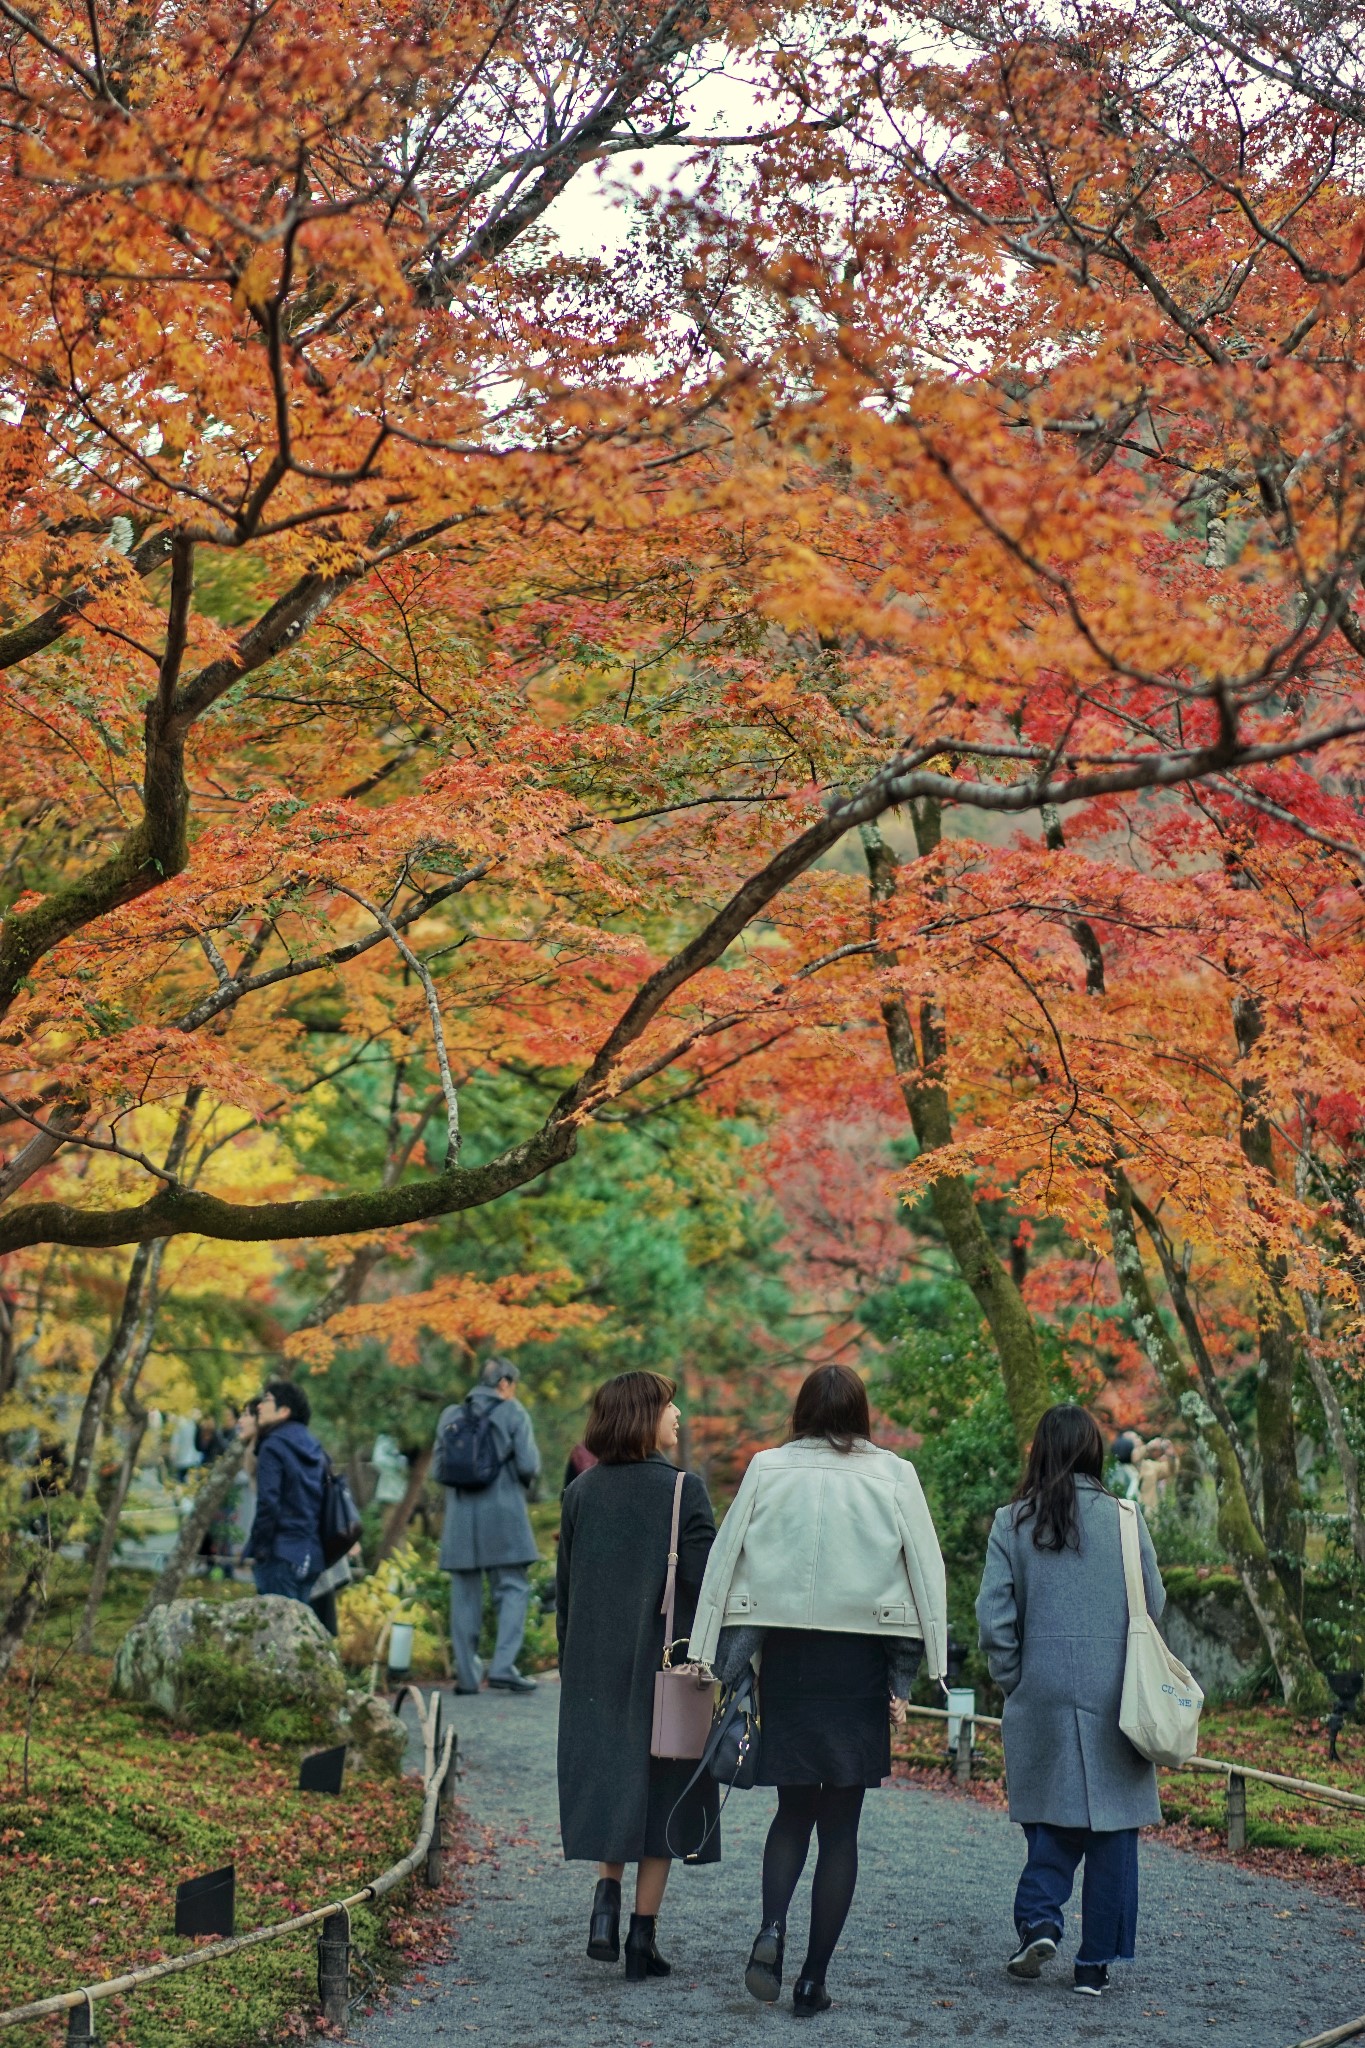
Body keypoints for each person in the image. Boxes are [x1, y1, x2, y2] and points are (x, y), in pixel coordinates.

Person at [689, 1362, 947, 2017]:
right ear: (861, 1412)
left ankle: (770, 1929)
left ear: (801, 1410)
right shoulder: (893, 1474)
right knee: (841, 1831)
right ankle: (811, 1981)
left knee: (790, 1813)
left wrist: (705, 1652)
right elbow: (923, 1572)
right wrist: (919, 1673)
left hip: (789, 1661)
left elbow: (728, 1558)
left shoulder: (766, 1467)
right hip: (859, 1662)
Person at [976, 1402, 1167, 1998]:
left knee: (1050, 1816)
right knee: (1113, 1831)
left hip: (1043, 1689)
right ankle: (1094, 1966)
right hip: (1116, 1693)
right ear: (1092, 1452)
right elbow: (1153, 1605)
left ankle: (1039, 1920)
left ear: (1041, 1452)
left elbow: (994, 1620)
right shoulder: (1126, 1520)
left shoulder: (1013, 1522)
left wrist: (1017, 1679)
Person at [557, 1371, 719, 1982]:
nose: (677, 1413)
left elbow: (565, 1596)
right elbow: (707, 1587)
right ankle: (641, 1939)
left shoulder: (581, 1493)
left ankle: (604, 1905)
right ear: (641, 1416)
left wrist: (574, 1664)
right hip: (665, 1668)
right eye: (667, 1404)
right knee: (661, 1801)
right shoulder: (683, 1491)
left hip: (592, 1667)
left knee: (610, 1784)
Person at [436, 1357, 542, 1694]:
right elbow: (529, 1464)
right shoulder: (513, 1412)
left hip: (460, 1521)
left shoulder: (450, 1415)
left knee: (464, 1596)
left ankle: (467, 1678)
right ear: (504, 1383)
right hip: (504, 1515)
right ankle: (502, 1666)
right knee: (512, 1588)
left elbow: (438, 1470)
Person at [247, 1381, 327, 1603]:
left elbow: (268, 1502)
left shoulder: (273, 1445)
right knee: (297, 1632)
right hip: (311, 1555)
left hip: (280, 1554)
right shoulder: (314, 1446)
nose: (259, 1407)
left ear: (284, 1411)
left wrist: (259, 1548)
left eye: (267, 1400)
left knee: (274, 1632)